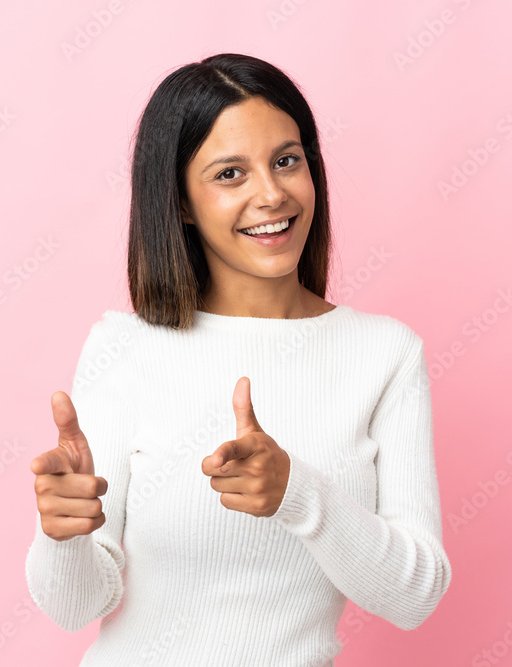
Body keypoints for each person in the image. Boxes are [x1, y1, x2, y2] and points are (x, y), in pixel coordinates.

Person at [25, 52, 452, 666]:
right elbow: (74, 608)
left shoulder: (385, 355)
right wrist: (63, 535)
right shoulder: (126, 347)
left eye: (286, 160)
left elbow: (417, 595)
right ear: (180, 203)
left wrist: (296, 493)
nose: (271, 194)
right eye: (230, 174)